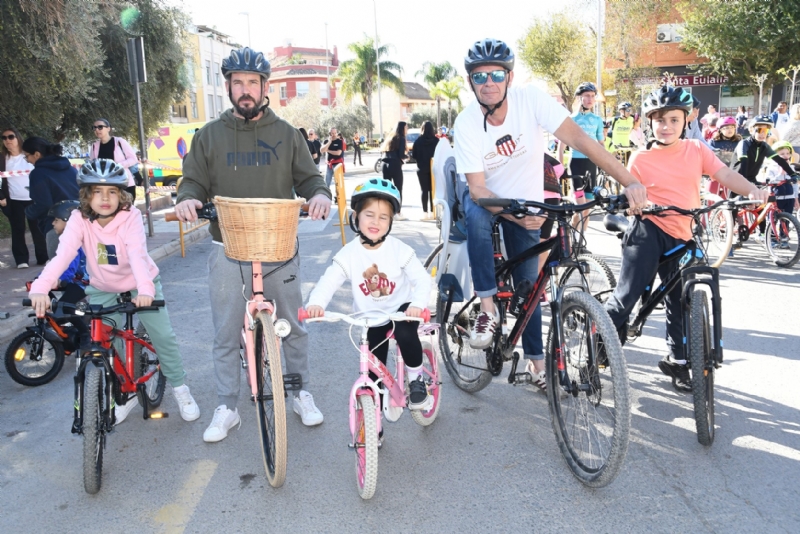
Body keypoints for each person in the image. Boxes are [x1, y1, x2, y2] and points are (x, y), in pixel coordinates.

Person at [453, 38, 647, 389]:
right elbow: (479, 190)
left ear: (509, 77)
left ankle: (536, 365)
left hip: (528, 203)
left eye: (496, 74)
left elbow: (583, 142)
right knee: (478, 215)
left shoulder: (532, 100)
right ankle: (487, 309)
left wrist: (629, 181)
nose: (489, 83)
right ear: (471, 83)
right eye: (479, 78)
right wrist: (514, 217)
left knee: (530, 289)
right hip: (490, 201)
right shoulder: (466, 123)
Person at [173, 46, 332, 442]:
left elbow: (310, 179)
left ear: (265, 88)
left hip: (279, 247)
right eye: (238, 83)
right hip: (226, 246)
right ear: (228, 86)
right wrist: (188, 198)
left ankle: (298, 392)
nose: (245, 90)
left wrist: (320, 195)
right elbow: (192, 180)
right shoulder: (208, 136)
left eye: (252, 83)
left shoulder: (288, 134)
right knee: (225, 333)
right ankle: (227, 404)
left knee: (292, 327)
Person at [604, 85, 770, 393]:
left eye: (673, 120)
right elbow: (629, 192)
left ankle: (679, 361)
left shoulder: (697, 149)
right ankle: (599, 346)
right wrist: (632, 202)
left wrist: (752, 190)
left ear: (687, 119)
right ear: (649, 122)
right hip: (648, 229)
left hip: (684, 232)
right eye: (659, 120)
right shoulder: (639, 158)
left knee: (680, 300)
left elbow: (726, 175)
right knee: (626, 296)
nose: (666, 126)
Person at [28, 159, 201, 424]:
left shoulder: (129, 216)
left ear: (122, 194)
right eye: (97, 191)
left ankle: (180, 388)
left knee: (163, 336)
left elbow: (137, 254)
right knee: (107, 340)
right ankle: (127, 393)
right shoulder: (78, 219)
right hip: (103, 287)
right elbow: (63, 256)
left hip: (140, 283)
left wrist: (144, 289)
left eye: (111, 192)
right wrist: (40, 287)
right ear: (87, 195)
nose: (105, 198)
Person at [304, 179, 432, 435]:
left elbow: (421, 279)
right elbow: (329, 280)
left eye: (384, 217)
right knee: (373, 368)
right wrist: (316, 304)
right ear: (356, 216)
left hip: (401, 308)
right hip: (371, 316)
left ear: (391, 222)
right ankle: (374, 421)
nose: (376, 222)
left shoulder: (399, 250)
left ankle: (417, 380)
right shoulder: (348, 254)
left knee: (406, 334)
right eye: (369, 215)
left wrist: (417, 304)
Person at [557, 82, 604, 245]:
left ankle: (579, 240)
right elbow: (562, 145)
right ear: (580, 97)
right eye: (587, 96)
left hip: (592, 164)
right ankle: (576, 238)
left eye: (593, 96)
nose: (590, 99)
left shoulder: (598, 120)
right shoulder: (571, 119)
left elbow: (601, 144)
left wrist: (607, 162)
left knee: (587, 208)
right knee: (580, 205)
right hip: (575, 164)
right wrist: (559, 166)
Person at [22, 137, 80, 260]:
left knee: (59, 271)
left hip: (55, 226)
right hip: (80, 223)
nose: (27, 160)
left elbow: (44, 204)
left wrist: (28, 212)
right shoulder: (71, 169)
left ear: (37, 154)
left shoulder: (38, 173)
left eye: (26, 156)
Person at [1, 126, 48, 268]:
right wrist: (1, 196)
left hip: (33, 198)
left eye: (11, 137)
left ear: (18, 138)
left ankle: (43, 257)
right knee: (17, 229)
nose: (7, 140)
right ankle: (21, 260)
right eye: (4, 138)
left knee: (38, 229)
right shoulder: (3, 159)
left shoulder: (29, 155)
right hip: (13, 200)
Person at [46, 199, 89, 305]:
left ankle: (78, 319)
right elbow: (57, 262)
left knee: (63, 308)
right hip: (73, 279)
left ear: (68, 221)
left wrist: (60, 278)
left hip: (84, 282)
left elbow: (69, 264)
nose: (53, 223)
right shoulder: (60, 238)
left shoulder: (77, 241)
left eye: (56, 220)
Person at [89, 118, 138, 200]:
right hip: (105, 187)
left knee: (126, 211)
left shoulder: (120, 142)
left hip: (124, 184)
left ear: (108, 128)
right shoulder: (94, 146)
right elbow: (92, 164)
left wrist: (117, 166)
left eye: (100, 127)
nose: (97, 130)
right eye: (94, 128)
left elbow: (133, 159)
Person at [760, 140, 797, 219]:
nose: (786, 156)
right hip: (777, 198)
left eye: (788, 153)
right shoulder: (771, 168)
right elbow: (769, 182)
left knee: (788, 219)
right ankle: (771, 230)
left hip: (789, 197)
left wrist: (796, 198)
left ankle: (784, 231)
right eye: (782, 154)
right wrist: (780, 173)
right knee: (774, 218)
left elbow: (795, 184)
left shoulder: (791, 168)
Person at [381, 121, 408, 221]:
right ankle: (397, 212)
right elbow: (401, 154)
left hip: (384, 164)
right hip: (395, 164)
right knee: (398, 189)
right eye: (406, 127)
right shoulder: (401, 138)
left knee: (386, 190)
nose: (407, 129)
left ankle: (386, 212)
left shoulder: (390, 137)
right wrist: (407, 157)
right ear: (402, 128)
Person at [411, 121, 438, 218]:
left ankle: (425, 213)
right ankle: (433, 212)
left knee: (424, 190)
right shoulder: (436, 141)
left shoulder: (418, 141)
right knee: (432, 190)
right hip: (433, 168)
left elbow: (414, 156)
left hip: (421, 168)